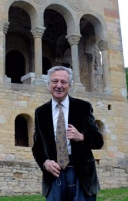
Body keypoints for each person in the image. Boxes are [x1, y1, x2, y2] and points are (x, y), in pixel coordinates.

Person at [32, 66, 104, 200]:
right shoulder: (40, 113)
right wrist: (45, 162)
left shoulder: (83, 107)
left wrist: (81, 136)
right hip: (54, 174)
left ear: (69, 85)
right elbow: (37, 147)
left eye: (63, 82)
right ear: (48, 84)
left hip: (81, 174)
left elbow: (98, 141)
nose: (59, 86)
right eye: (54, 81)